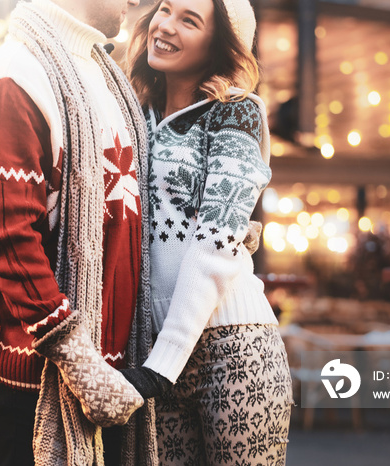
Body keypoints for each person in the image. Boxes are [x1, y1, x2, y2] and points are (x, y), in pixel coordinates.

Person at [0, 0, 158, 464]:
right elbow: (5, 239)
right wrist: (80, 363)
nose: (135, 1)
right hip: (38, 373)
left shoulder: (104, 77)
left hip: (113, 372)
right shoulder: (12, 80)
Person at [121, 0, 293, 464]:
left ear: (217, 46)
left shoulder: (237, 114)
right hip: (156, 354)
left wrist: (164, 363)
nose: (166, 25)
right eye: (165, 9)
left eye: (189, 20)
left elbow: (217, 238)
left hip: (234, 345)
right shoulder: (134, 114)